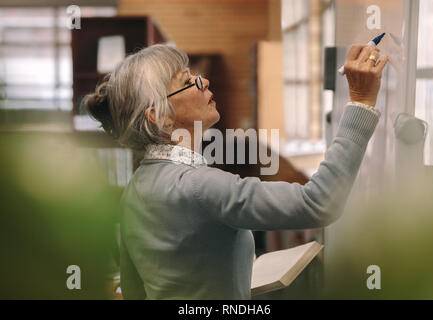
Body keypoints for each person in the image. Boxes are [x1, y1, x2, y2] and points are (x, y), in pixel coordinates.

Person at [83, 43, 388, 299]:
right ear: (160, 118)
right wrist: (360, 104)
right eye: (187, 81)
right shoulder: (198, 185)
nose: (203, 81)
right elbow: (318, 202)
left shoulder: (137, 186)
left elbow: (136, 292)